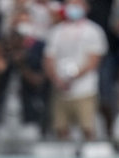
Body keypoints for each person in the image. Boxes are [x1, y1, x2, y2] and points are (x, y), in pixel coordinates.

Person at [43, 0, 108, 140]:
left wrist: (74, 77)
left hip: (85, 89)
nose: (74, 8)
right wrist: (57, 79)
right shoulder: (56, 31)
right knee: (61, 129)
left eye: (77, 4)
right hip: (60, 88)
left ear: (86, 7)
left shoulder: (93, 30)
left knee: (87, 128)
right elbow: (49, 59)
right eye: (70, 4)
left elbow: (94, 60)